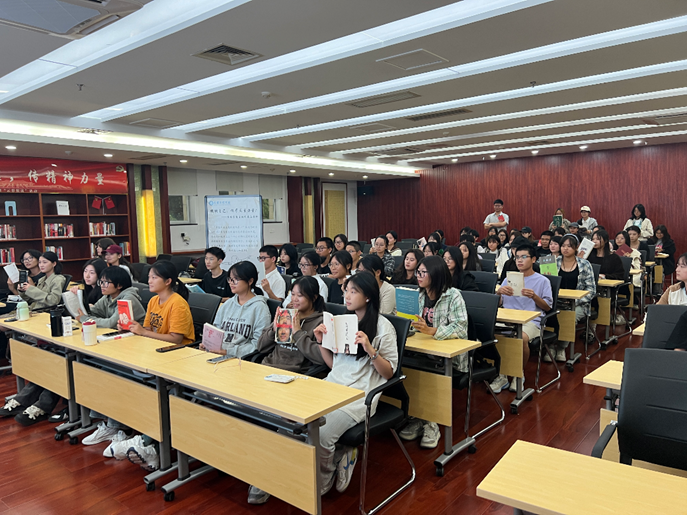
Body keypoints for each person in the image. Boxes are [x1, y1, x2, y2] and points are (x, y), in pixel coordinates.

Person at [313, 272, 398, 496]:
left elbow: (389, 373)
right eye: (346, 291)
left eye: (353, 292)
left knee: (322, 434)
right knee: (296, 422)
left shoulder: (383, 327)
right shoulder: (343, 321)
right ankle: (336, 455)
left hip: (359, 396)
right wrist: (321, 343)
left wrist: (370, 350)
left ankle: (325, 476)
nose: (347, 296)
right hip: (333, 385)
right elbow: (335, 365)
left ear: (368, 296)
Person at [245, 276, 328, 505]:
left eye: (300, 295)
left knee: (272, 422)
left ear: (313, 297)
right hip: (266, 371)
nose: (295, 299)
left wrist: (298, 331)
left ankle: (265, 475)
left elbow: (320, 358)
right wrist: (275, 326)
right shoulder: (286, 314)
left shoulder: (321, 322)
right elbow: (260, 346)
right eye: (293, 294)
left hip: (293, 379)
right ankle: (246, 461)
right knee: (234, 408)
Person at [105, 260, 195, 471]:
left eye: (154, 277)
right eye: (149, 277)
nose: (150, 281)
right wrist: (131, 328)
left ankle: (146, 442)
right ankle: (135, 434)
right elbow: (147, 329)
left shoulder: (177, 303)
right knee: (117, 372)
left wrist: (143, 332)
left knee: (156, 390)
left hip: (178, 357)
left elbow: (176, 339)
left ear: (168, 281)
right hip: (155, 354)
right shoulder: (154, 300)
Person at [401, 255, 468, 449]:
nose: (418, 276)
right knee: (403, 368)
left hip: (448, 357)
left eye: (423, 272)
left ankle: (431, 423)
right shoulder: (419, 295)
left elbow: (461, 328)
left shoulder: (453, 295)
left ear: (436, 274)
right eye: (418, 272)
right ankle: (417, 416)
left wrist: (433, 331)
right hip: (422, 350)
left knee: (427, 372)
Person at [76, 266, 147, 446]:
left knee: (111, 373)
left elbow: (109, 323)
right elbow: (95, 314)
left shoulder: (128, 298)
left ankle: (117, 426)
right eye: (101, 281)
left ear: (119, 285)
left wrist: (84, 319)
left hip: (138, 348)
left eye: (106, 282)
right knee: (95, 368)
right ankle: (107, 421)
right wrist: (87, 315)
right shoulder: (109, 296)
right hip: (122, 344)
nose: (102, 285)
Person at [0, 252, 67, 426]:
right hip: (36, 315)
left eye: (45, 262)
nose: (41, 265)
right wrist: (22, 290)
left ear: (54, 263)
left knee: (53, 362)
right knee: (41, 363)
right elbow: (31, 299)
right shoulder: (43, 280)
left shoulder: (58, 279)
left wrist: (31, 289)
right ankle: (24, 399)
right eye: (41, 262)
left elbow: (52, 300)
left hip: (45, 318)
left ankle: (38, 404)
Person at [490, 244, 552, 394]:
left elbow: (548, 307)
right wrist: (499, 293)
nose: (519, 260)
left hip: (531, 321)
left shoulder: (542, 281)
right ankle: (502, 375)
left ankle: (518, 374)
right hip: (508, 318)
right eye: (517, 257)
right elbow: (499, 304)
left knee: (521, 338)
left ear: (533, 259)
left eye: (524, 257)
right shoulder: (509, 279)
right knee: (492, 335)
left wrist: (534, 296)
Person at [207, 261, 270, 358]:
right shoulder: (227, 304)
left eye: (236, 279)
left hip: (241, 359)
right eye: (230, 279)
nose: (231, 283)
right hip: (217, 354)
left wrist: (228, 352)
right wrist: (208, 345)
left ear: (250, 281)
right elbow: (216, 331)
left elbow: (258, 344)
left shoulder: (260, 308)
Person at [550, 235, 595, 362]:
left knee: (570, 316)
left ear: (576, 248)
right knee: (547, 314)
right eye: (563, 246)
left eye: (569, 246)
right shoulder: (553, 262)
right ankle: (550, 346)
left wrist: (575, 301)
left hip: (578, 304)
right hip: (557, 302)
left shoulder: (584, 264)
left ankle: (561, 347)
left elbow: (591, 290)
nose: (565, 249)